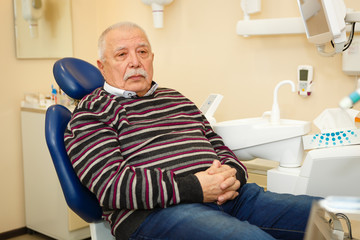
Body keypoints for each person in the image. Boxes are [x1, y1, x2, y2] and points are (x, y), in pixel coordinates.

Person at [64, 22, 319, 240]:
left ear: (152, 57)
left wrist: (233, 175)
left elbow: (217, 145)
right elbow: (112, 186)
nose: (135, 62)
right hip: (157, 213)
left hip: (232, 197)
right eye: (122, 55)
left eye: (142, 51)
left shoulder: (176, 98)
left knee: (330, 215)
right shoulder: (91, 113)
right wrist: (196, 187)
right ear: (102, 66)